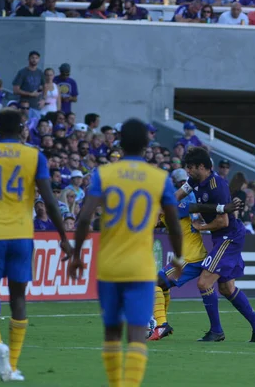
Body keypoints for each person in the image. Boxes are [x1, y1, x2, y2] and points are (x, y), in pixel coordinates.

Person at [67, 118, 184, 387]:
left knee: (111, 333)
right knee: (136, 334)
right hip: (141, 268)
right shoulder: (159, 178)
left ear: (120, 142)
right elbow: (174, 224)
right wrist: (177, 259)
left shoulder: (104, 174)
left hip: (109, 266)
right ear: (147, 144)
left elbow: (84, 218)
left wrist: (76, 255)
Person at [0, 108, 71, 382]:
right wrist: (62, 236)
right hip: (22, 237)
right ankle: (11, 366)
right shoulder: (34, 156)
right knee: (19, 299)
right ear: (22, 129)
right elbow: (49, 200)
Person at [174, 147, 255, 342]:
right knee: (226, 288)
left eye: (190, 168)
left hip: (229, 236)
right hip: (223, 236)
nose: (187, 171)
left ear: (202, 166)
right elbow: (178, 195)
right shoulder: (195, 179)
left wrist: (201, 227)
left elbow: (223, 222)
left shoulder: (217, 187)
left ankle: (216, 331)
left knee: (204, 282)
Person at [150, 168, 241, 340]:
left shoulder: (174, 206)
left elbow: (197, 206)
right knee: (162, 284)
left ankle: (161, 324)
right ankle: (160, 323)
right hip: (191, 256)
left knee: (155, 283)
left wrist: (222, 208)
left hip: (191, 257)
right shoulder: (160, 211)